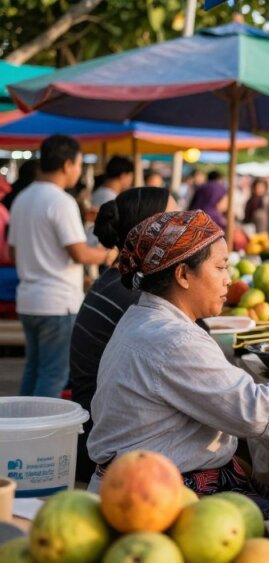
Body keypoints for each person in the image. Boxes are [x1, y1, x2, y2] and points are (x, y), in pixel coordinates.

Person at [87, 210, 269, 515]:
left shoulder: (142, 318)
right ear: (183, 274)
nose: (229, 279)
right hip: (155, 499)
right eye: (220, 267)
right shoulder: (174, 339)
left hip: (139, 482)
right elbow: (257, 412)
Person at [69, 187, 176, 482]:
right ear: (151, 231)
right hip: (109, 451)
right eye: (175, 220)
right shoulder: (135, 295)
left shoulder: (118, 279)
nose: (184, 227)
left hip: (98, 433)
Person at [8, 135, 118, 397]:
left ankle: (23, 429)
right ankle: (38, 434)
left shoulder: (22, 198)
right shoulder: (61, 201)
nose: (79, 171)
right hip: (57, 303)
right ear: (67, 165)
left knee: (34, 369)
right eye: (79, 164)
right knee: (53, 375)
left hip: (28, 301)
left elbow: (13, 253)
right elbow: (79, 252)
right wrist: (107, 257)